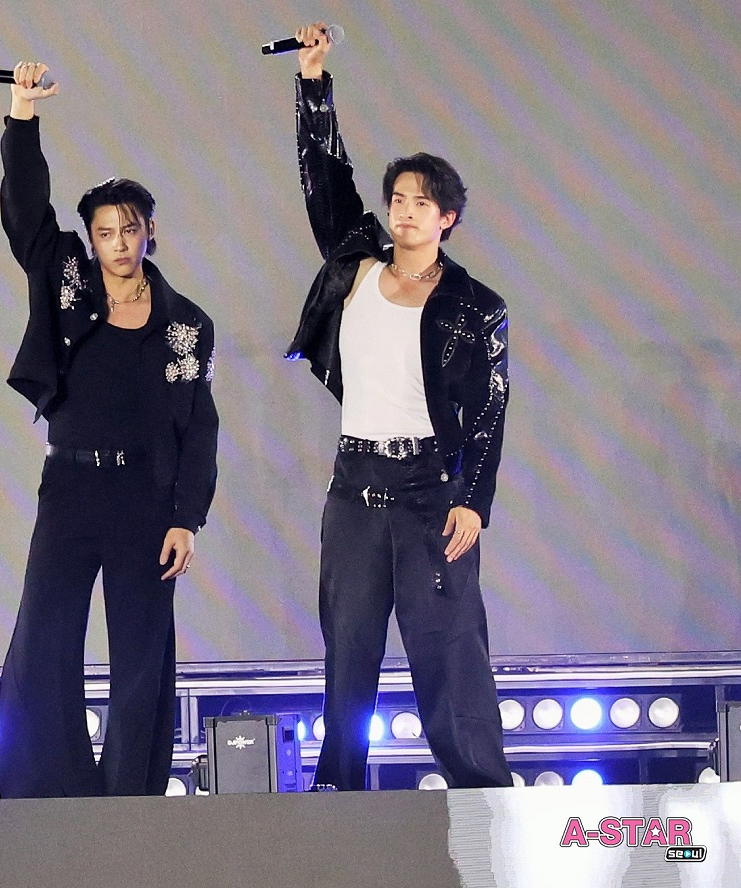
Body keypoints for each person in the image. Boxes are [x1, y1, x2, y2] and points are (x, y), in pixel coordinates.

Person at [286, 25, 513, 790]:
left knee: (449, 651)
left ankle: (482, 793)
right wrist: (312, 85)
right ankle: (336, 791)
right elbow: (324, 179)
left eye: (422, 203)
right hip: (353, 487)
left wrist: (471, 501)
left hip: (428, 493)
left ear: (447, 217)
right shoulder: (354, 265)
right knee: (347, 654)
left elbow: (489, 411)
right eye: (397, 200)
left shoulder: (475, 305)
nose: (404, 212)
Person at [0, 62, 220, 797]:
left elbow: (199, 430)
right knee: (45, 636)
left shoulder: (186, 326)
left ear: (150, 232)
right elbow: (27, 212)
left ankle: (129, 797)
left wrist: (186, 518)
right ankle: (48, 792)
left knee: (141, 652)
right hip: (70, 485)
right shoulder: (66, 281)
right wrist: (22, 116)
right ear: (89, 240)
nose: (118, 242)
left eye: (129, 229)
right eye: (104, 232)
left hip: (145, 498)